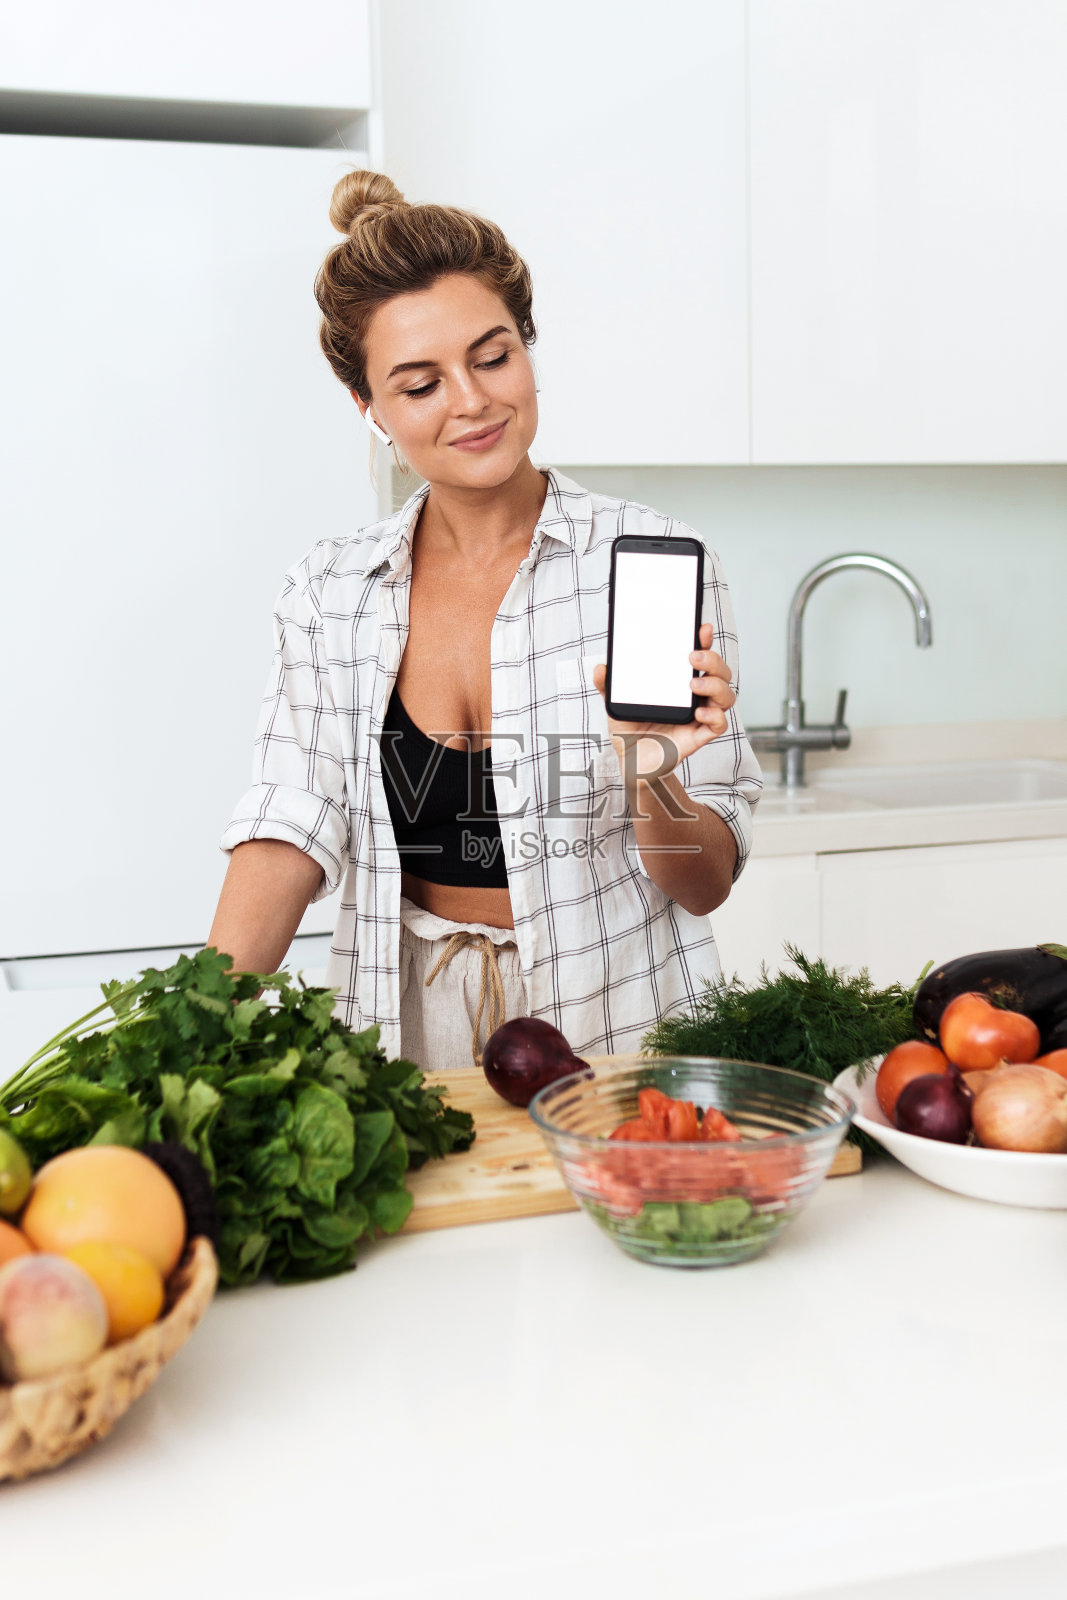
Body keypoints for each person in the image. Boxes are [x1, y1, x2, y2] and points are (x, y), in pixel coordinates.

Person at [207, 168, 763, 1072]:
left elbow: (703, 885)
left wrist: (649, 771)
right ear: (371, 409)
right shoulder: (330, 590)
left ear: (528, 350)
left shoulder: (651, 562)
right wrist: (190, 1030)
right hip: (403, 1024)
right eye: (420, 383)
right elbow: (288, 823)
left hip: (614, 1022)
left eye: (493, 356)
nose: (471, 401)